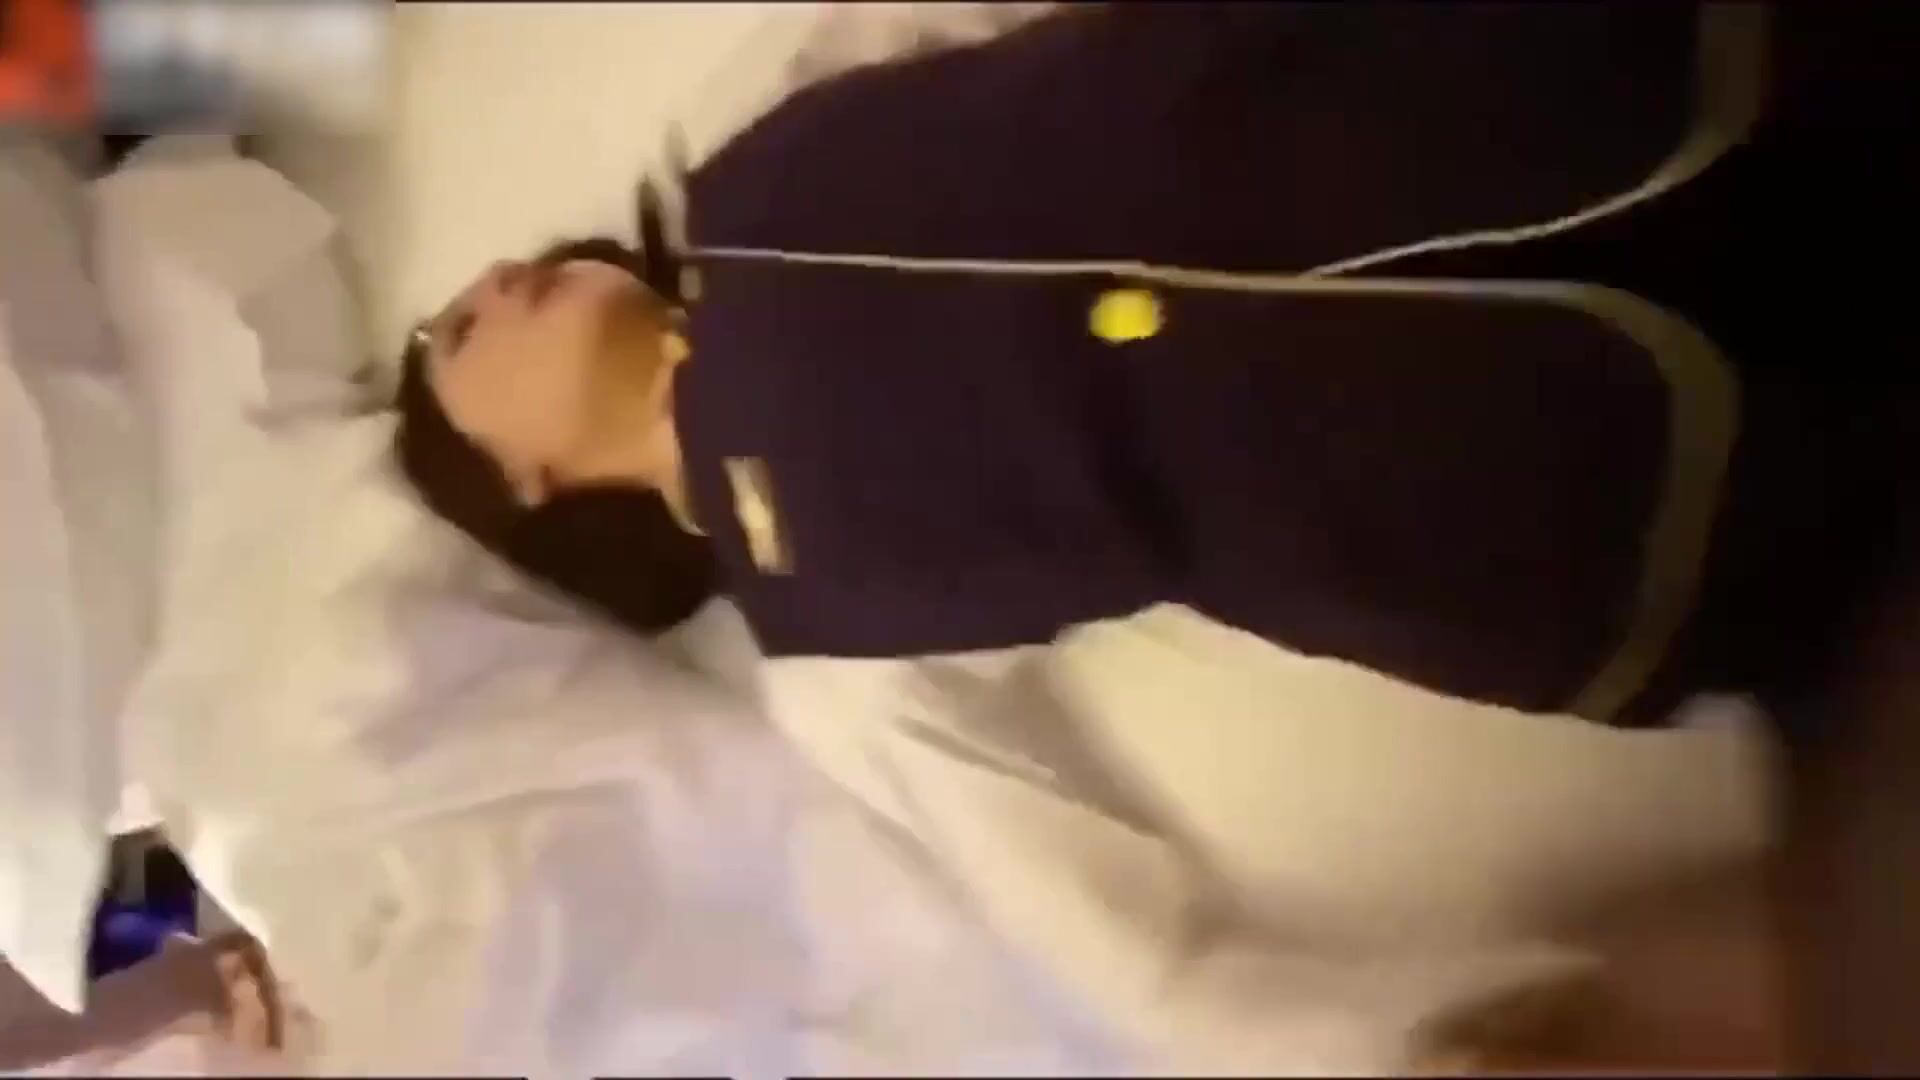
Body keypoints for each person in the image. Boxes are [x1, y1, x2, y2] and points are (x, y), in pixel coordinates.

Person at [394, 3, 1914, 1070]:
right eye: (463, 331)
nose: (501, 278)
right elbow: (1128, 952)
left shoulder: (750, 150)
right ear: (528, 483)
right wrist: (1425, 1053)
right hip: (1557, 495)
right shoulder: (833, 645)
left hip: (1531, 96)